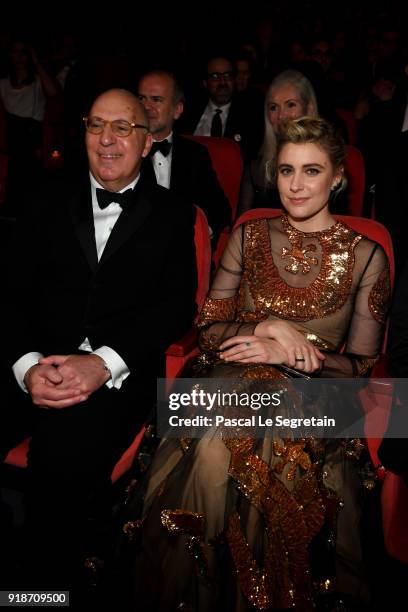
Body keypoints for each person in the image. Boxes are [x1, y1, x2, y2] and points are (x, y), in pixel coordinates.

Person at [123, 117, 391, 611]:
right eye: (286, 170)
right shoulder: (249, 236)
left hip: (318, 394)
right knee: (209, 442)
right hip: (227, 374)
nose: (295, 184)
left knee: (268, 443)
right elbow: (207, 331)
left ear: (337, 178)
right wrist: (265, 329)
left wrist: (288, 353)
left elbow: (361, 365)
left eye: (311, 171)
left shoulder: (368, 255)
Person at [0, 88, 197, 595]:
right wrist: (26, 366)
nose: (107, 139)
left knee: (62, 456)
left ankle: (46, 590)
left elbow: (176, 307)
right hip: (33, 362)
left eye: (123, 127)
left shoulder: (175, 213)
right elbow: (11, 294)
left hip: (117, 377)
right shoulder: (42, 197)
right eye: (95, 126)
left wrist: (102, 364)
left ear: (148, 140)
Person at [137, 69, 231, 246]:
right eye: (141, 99)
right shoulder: (123, 151)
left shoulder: (196, 154)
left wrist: (196, 237)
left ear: (177, 110)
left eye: (156, 100)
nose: (146, 107)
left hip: (185, 255)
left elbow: (220, 210)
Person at [237, 69, 318, 217]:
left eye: (290, 105)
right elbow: (241, 227)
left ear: (310, 109)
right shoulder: (256, 169)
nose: (281, 115)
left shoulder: (327, 166)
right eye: (273, 107)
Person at [178, 54, 263, 161]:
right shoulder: (188, 112)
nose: (222, 82)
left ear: (234, 80)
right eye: (215, 76)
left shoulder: (249, 115)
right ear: (205, 83)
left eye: (227, 75)